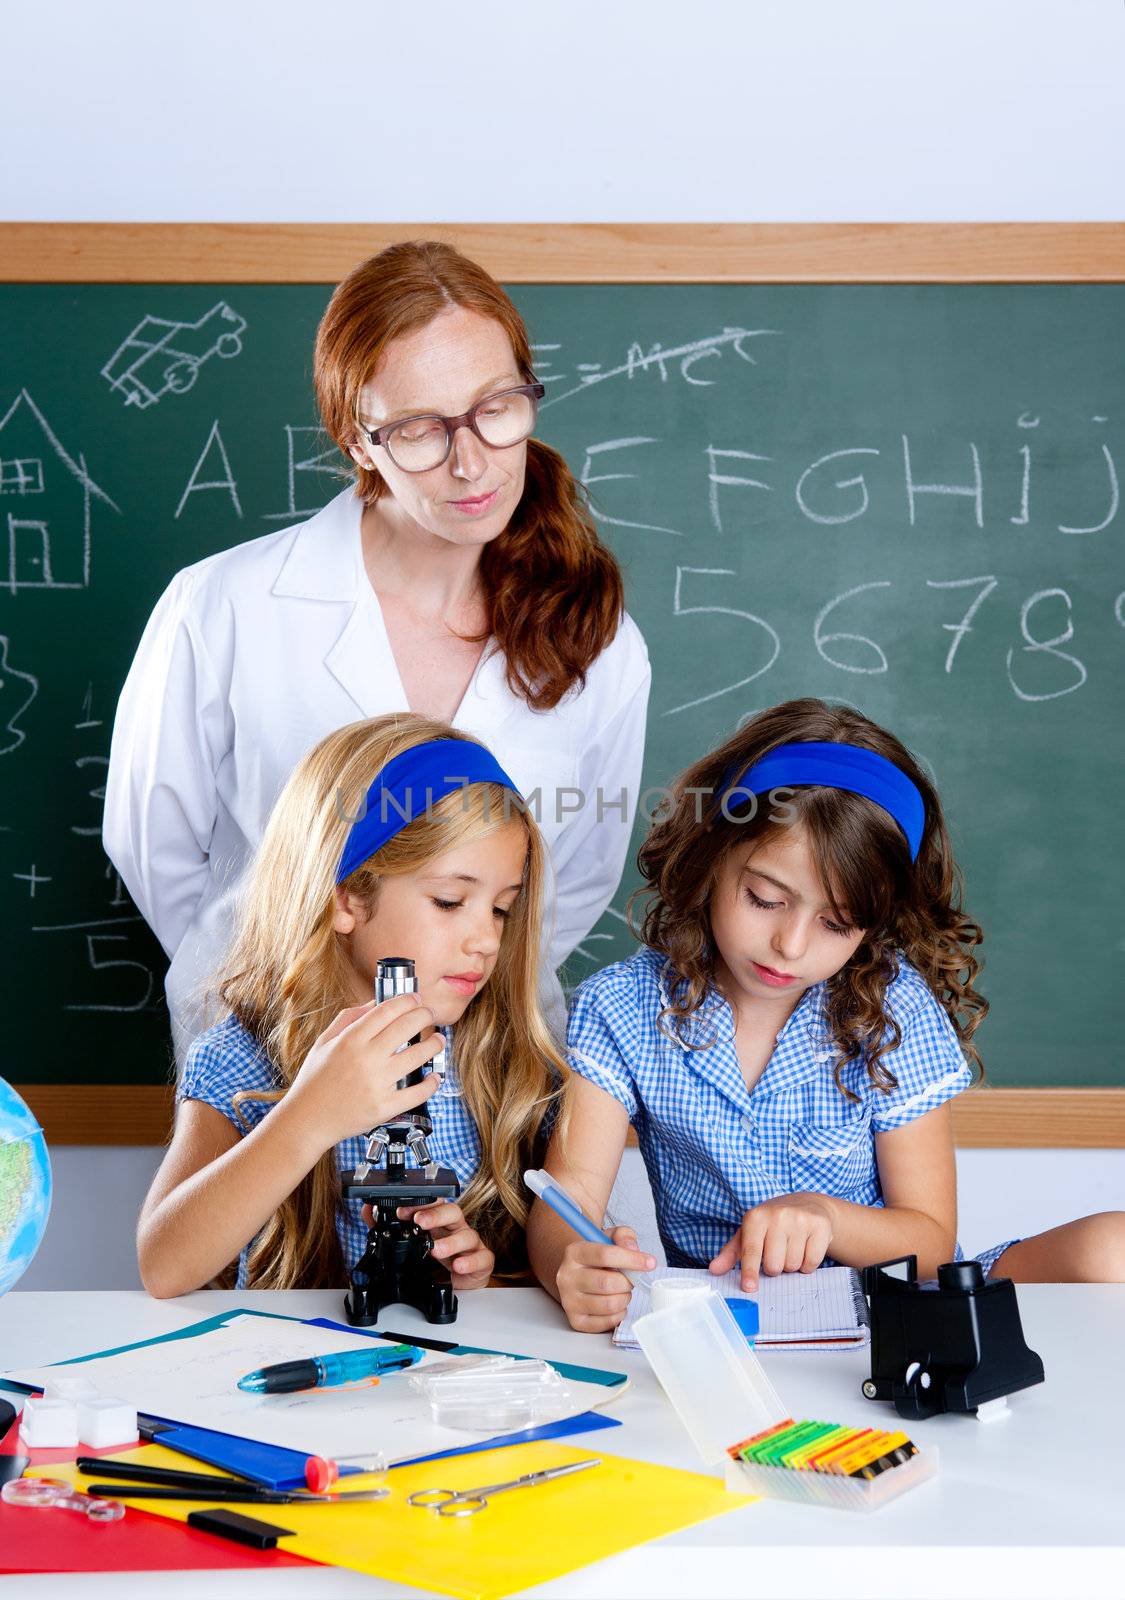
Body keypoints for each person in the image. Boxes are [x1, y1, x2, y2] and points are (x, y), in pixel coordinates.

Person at [104, 240, 650, 1065]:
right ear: (358, 441)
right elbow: (153, 844)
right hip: (269, 1050)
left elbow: (572, 877)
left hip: (485, 1067)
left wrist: (461, 992)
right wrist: (282, 976)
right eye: (420, 429)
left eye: (497, 406)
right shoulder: (222, 605)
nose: (472, 462)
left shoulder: (596, 639)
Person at [527, 698, 1125, 1331]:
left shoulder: (892, 1011)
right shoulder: (620, 1007)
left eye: (836, 923)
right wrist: (573, 1262)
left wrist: (828, 1217)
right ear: (711, 856)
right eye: (763, 899)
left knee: (1110, 1244)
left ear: (873, 924)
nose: (790, 945)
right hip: (730, 1322)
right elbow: (568, 1201)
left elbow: (929, 1244)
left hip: (890, 1316)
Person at [138, 715, 566, 1297]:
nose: (486, 940)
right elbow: (163, 1267)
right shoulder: (241, 1058)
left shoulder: (499, 1062)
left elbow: (536, 1283)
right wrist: (310, 1114)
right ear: (346, 899)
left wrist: (475, 1277)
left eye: (500, 909)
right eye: (449, 901)